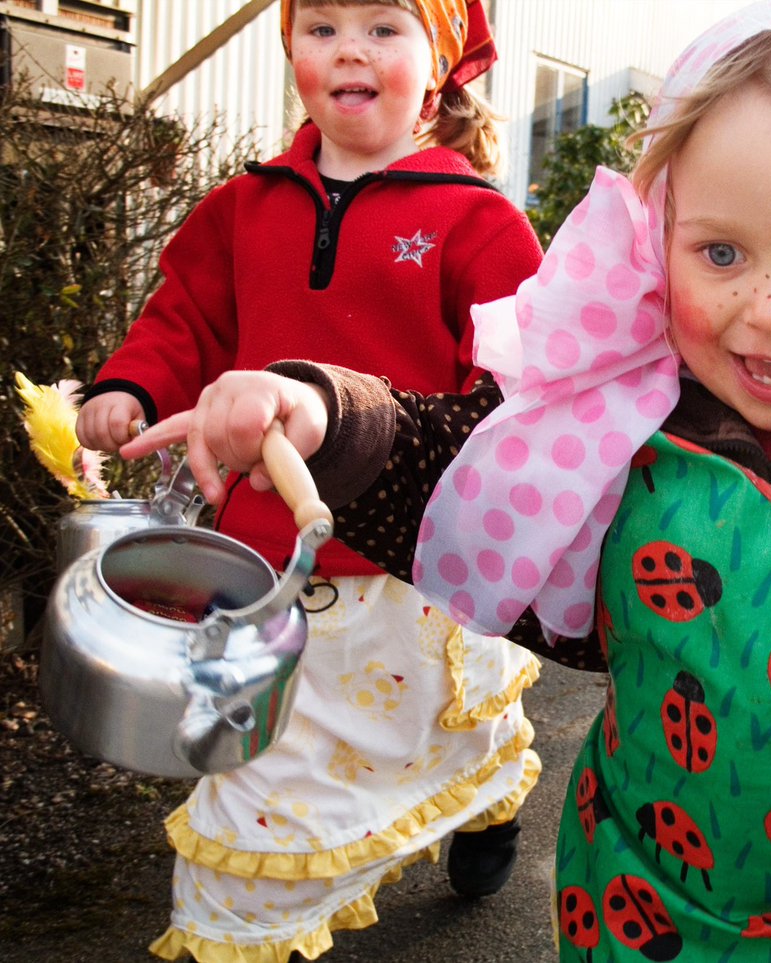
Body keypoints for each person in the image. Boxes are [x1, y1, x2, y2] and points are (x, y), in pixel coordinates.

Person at [125, 1, 771, 959]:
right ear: (657, 235)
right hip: (643, 903)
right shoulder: (624, 415)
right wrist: (318, 412)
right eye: (720, 254)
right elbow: (454, 452)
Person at [76, 1, 544, 959]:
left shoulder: (479, 222)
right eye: (321, 26)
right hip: (266, 567)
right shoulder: (243, 207)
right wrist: (131, 382)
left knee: (446, 731)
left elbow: (516, 393)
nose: (348, 51)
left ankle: (488, 802)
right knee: (257, 799)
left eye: (384, 26)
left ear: (443, 58)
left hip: (413, 571)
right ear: (290, 48)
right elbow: (186, 319)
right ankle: (236, 930)